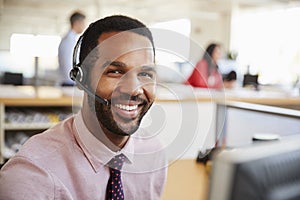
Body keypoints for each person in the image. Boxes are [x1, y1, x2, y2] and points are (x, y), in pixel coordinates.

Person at [0, 15, 167, 199]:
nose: (134, 90)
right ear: (81, 78)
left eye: (145, 73)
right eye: (115, 72)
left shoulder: (154, 154)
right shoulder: (30, 176)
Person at [58, 11, 86, 86]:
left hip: (70, 81)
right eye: (83, 23)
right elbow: (67, 64)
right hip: (69, 83)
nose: (84, 26)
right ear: (77, 23)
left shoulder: (70, 39)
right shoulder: (68, 41)